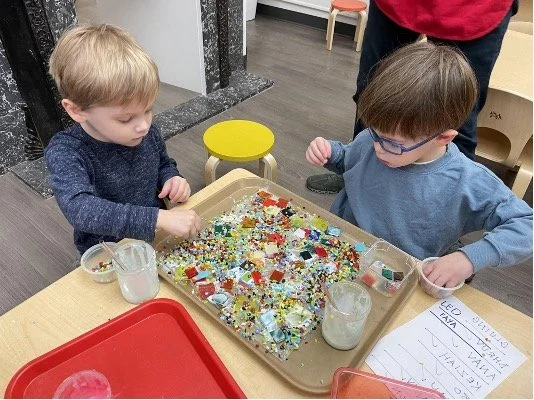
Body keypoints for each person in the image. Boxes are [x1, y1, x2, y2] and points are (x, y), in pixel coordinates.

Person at [305, 42, 532, 288]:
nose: (378, 148)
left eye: (393, 144)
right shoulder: (373, 139)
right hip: (343, 245)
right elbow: (348, 159)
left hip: (397, 274)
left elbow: (526, 226)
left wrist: (468, 259)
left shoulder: (468, 181)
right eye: (375, 132)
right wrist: (329, 153)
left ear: (442, 138)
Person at [306, 0, 519, 194]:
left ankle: (449, 203)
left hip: (474, 8)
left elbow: (513, 213)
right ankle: (356, 175)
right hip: (397, 4)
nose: (377, 148)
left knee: (458, 114)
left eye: (391, 143)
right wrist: (339, 156)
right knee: (372, 93)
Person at [45, 24, 201, 254]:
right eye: (125, 118)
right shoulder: (66, 151)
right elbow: (80, 209)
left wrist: (172, 178)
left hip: (156, 233)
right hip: (108, 250)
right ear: (77, 110)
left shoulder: (145, 130)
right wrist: (156, 218)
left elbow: (163, 164)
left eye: (148, 110)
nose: (144, 125)